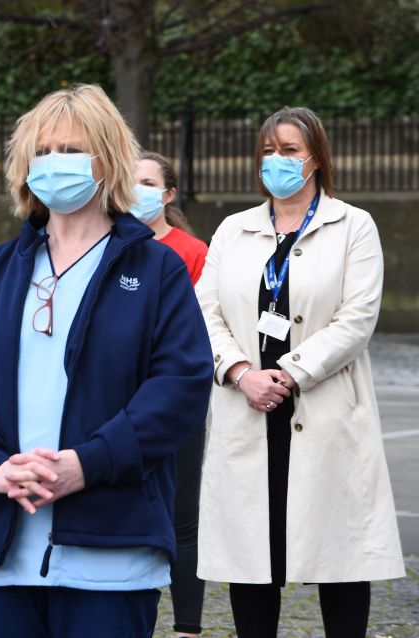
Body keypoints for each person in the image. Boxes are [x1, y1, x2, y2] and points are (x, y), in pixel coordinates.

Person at [0, 84, 213, 638]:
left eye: (72, 149)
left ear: (107, 160)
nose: (56, 164)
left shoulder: (156, 272)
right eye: (44, 151)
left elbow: (179, 388)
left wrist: (89, 463)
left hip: (112, 549)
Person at [195, 106, 405, 638]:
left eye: (289, 150)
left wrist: (287, 373)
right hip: (248, 408)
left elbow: (356, 319)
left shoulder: (353, 226)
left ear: (316, 158)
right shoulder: (232, 230)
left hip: (322, 408)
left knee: (338, 558)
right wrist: (242, 372)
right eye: (268, 151)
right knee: (251, 559)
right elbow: (205, 311)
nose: (276, 161)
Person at [130, 151, 209, 638]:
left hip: (177, 408)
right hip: (121, 406)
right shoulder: (109, 245)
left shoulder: (194, 252)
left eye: (148, 182)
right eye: (131, 180)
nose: (138, 189)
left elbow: (196, 333)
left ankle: (187, 627)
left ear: (169, 193)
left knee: (182, 519)